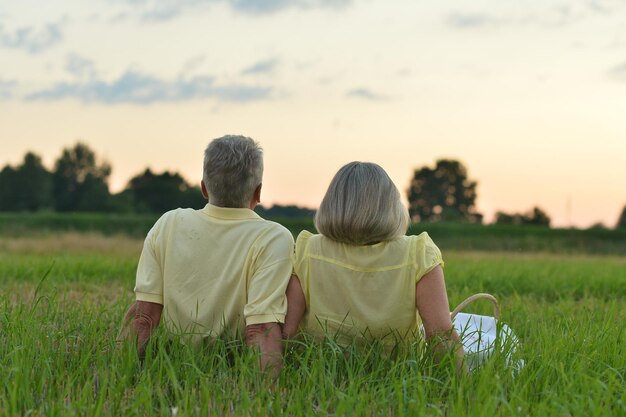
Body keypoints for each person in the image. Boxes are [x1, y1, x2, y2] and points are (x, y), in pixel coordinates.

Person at [119, 135, 294, 377]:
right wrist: (268, 395)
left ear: (203, 187)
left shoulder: (169, 223)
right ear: (259, 191)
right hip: (233, 368)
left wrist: (115, 375)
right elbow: (261, 327)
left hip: (172, 365)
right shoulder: (274, 237)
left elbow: (144, 315)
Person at [283, 161, 463, 368]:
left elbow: (289, 331)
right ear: (391, 204)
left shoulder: (308, 249)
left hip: (319, 371)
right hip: (399, 374)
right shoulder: (418, 252)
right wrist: (464, 391)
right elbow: (440, 334)